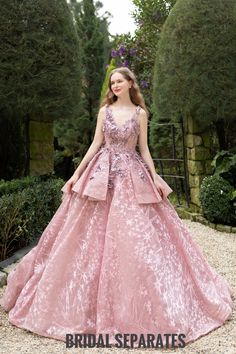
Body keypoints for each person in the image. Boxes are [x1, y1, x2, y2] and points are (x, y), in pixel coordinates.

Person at [0, 67, 233, 349]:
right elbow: (96, 144)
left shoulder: (140, 114)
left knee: (137, 238)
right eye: (112, 82)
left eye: (119, 80)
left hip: (131, 174)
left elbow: (144, 149)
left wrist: (154, 177)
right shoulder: (104, 112)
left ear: (131, 83)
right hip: (102, 174)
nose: (115, 85)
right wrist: (76, 175)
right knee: (82, 235)